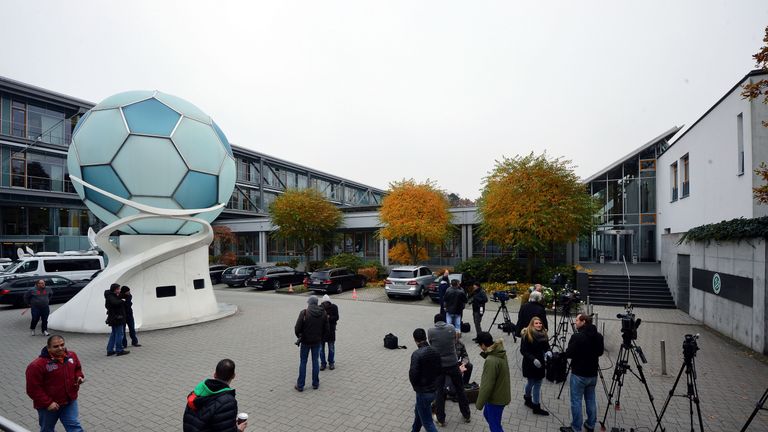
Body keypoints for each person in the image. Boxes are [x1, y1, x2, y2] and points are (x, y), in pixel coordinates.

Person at [25, 335, 85, 432]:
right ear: (48, 348)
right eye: (56, 346)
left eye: (62, 345)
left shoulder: (72, 355)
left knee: (75, 427)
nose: (60, 348)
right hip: (48, 407)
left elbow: (77, 369)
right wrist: (48, 403)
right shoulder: (36, 366)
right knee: (47, 429)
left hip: (69, 401)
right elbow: (33, 389)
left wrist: (79, 377)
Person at [560, 314, 604, 432]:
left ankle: (575, 428)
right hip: (592, 374)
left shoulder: (577, 337)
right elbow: (600, 352)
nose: (575, 322)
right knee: (590, 399)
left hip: (579, 374)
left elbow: (569, 353)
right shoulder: (598, 336)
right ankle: (590, 424)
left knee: (576, 401)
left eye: (577, 320)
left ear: (584, 321)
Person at [428, 313, 471, 426]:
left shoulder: (431, 331)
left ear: (435, 322)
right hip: (453, 364)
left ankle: (441, 420)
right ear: (445, 321)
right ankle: (466, 415)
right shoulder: (451, 328)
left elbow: (431, 344)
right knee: (460, 389)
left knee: (440, 393)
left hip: (439, 366)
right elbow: (454, 339)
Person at [183, 358, 247, 432]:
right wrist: (239, 430)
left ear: (214, 374)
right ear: (233, 376)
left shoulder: (199, 390)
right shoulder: (228, 402)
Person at [474, 331, 511, 432]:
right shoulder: (499, 352)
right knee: (488, 415)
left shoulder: (491, 360)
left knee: (495, 427)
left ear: (483, 345)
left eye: (479, 345)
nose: (480, 347)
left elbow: (487, 385)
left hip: (496, 398)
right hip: (501, 393)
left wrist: (479, 404)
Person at [408, 328, 441, 432]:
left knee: (427, 423)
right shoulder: (435, 350)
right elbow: (439, 370)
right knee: (418, 412)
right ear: (425, 337)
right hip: (434, 389)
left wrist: (416, 387)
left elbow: (413, 375)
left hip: (423, 392)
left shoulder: (417, 354)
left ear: (415, 339)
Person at [294, 295, 329, 391]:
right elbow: (327, 329)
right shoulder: (323, 313)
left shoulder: (304, 313)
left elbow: (297, 328)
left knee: (303, 362)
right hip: (317, 342)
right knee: (315, 362)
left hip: (305, 342)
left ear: (309, 303)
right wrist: (321, 338)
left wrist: (300, 337)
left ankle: (300, 385)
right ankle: (315, 383)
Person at [520, 317, 550, 416]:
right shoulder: (526, 335)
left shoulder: (544, 334)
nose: (539, 325)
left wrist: (548, 352)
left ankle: (536, 406)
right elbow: (523, 351)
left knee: (538, 384)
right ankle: (527, 397)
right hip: (530, 363)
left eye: (540, 323)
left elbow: (546, 346)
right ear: (532, 324)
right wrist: (533, 359)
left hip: (540, 363)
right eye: (536, 323)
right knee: (531, 382)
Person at [104, 283, 129, 356]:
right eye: (119, 289)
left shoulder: (111, 295)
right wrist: (122, 301)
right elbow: (115, 303)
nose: (120, 290)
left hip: (113, 317)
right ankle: (119, 350)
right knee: (119, 334)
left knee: (114, 334)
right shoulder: (111, 297)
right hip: (117, 318)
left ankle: (110, 350)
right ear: (115, 290)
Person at [319, 294, 339, 371]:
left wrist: (329, 317)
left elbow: (337, 317)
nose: (325, 304)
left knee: (331, 348)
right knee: (321, 349)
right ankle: (323, 363)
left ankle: (331, 362)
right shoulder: (320, 308)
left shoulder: (334, 307)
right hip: (321, 332)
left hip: (331, 331)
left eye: (327, 302)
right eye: (324, 302)